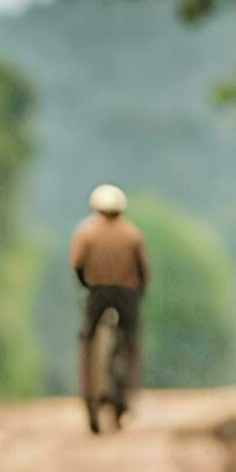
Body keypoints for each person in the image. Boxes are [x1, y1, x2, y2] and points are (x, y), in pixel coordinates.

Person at [69, 184, 149, 433]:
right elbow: (143, 270)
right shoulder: (132, 234)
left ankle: (88, 388)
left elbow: (78, 265)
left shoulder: (86, 232)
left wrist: (87, 284)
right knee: (130, 341)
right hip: (127, 294)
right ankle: (129, 390)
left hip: (97, 293)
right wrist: (139, 292)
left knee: (88, 337)